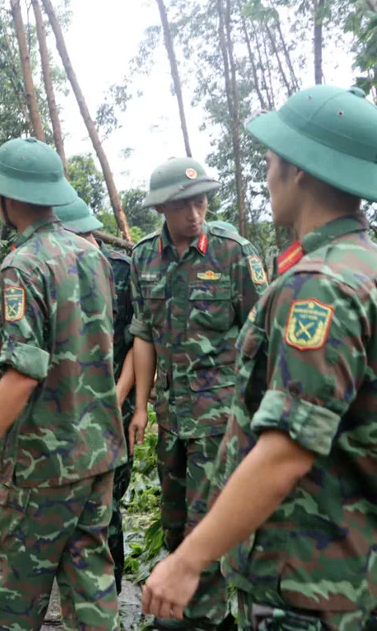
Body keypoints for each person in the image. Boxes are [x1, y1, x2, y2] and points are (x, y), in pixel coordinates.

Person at [142, 85, 377, 629]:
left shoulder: (319, 286)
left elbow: (286, 449)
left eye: (270, 160)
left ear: (298, 170)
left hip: (310, 583)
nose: (266, 175)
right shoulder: (361, 265)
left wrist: (188, 561)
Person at [0, 138, 126, 630]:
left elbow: (24, 372)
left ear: (7, 197)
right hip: (99, 449)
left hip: (44, 462)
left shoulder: (24, 266)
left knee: (20, 591)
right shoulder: (94, 257)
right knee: (90, 579)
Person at [128, 157, 267, 628]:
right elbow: (143, 331)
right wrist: (142, 405)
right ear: (163, 208)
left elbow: (261, 335)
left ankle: (204, 617)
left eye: (202, 201)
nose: (195, 213)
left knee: (204, 519)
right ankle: (189, 604)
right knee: (173, 521)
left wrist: (252, 417)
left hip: (218, 419)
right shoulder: (145, 256)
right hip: (171, 416)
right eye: (184, 205)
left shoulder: (233, 253)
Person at [54, 196, 136, 594]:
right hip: (68, 409)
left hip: (114, 405)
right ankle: (76, 584)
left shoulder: (121, 270)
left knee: (108, 500)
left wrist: (118, 403)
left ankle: (110, 588)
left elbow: (139, 339)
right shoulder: (54, 269)